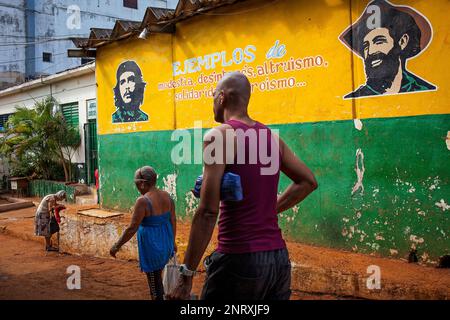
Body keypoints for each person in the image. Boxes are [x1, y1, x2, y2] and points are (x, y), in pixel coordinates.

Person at [167, 72, 318, 300]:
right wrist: (269, 210)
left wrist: (186, 273)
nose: (212, 102)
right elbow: (308, 182)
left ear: (222, 98)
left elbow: (208, 212)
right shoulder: (271, 138)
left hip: (239, 261)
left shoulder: (219, 136)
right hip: (277, 260)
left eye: (213, 96)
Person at [339, 0, 436, 98]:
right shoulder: (355, 97)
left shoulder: (425, 91)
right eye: (366, 46)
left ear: (402, 42)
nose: (370, 51)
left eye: (379, 41)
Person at [110, 166, 177, 300]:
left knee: (154, 285)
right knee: (158, 280)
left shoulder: (142, 201)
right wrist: (172, 242)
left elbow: (132, 228)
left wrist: (116, 246)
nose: (136, 186)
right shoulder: (167, 196)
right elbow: (173, 220)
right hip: (165, 245)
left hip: (152, 249)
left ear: (142, 183)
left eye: (136, 182)